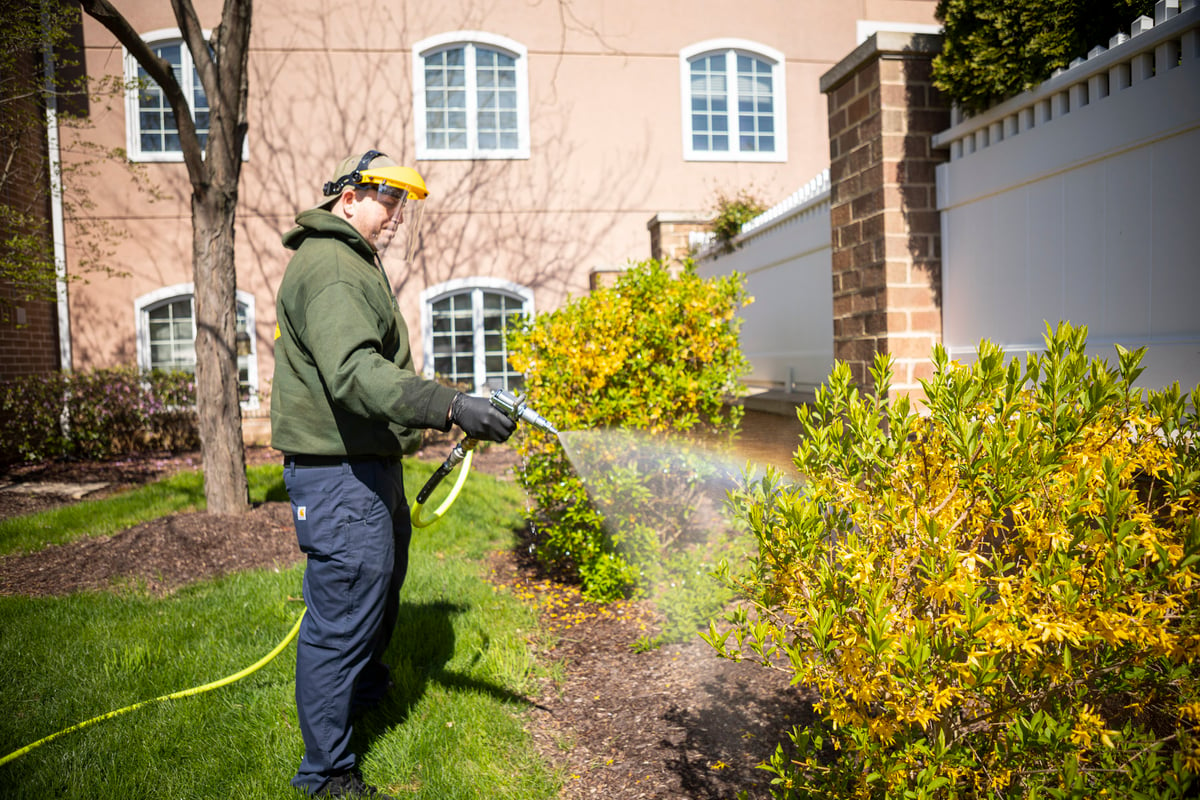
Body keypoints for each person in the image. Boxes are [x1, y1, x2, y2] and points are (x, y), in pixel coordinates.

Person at [271, 150, 516, 798]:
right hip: (338, 475)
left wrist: (442, 414)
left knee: (375, 591)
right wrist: (450, 405)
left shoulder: (347, 260)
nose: (394, 215)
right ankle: (324, 775)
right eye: (385, 199)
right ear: (347, 197)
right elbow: (355, 373)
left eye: (399, 203)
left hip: (363, 467)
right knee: (343, 615)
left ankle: (364, 690)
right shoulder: (331, 266)